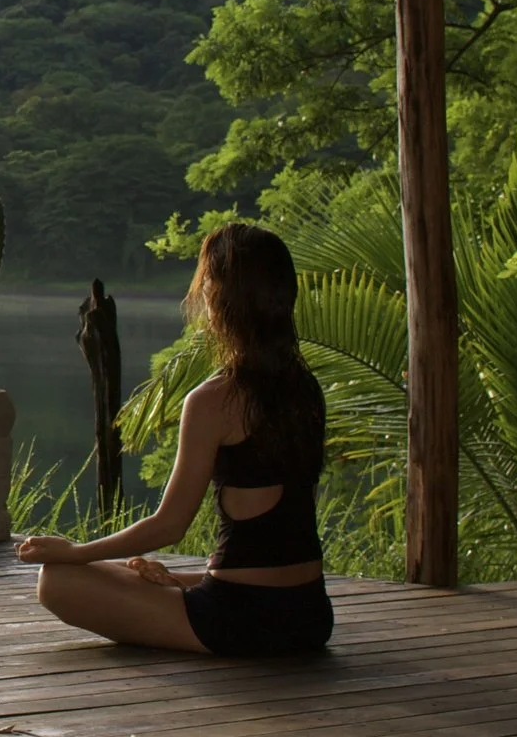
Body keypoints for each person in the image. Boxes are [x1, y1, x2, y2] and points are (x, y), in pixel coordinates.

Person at [16, 223, 333, 657]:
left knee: (58, 579)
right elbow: (281, 538)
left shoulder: (215, 399)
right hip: (309, 614)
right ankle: (186, 585)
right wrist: (185, 580)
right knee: (133, 572)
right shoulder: (306, 390)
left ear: (219, 297)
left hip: (241, 619)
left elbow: (169, 525)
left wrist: (75, 552)